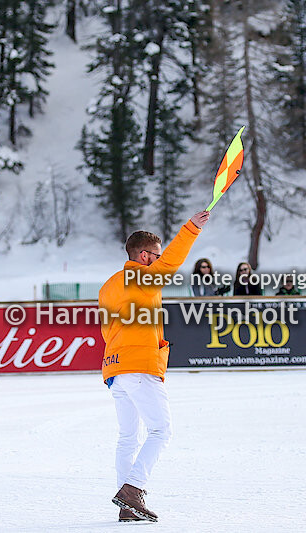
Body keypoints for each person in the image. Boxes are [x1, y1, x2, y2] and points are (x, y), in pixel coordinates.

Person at [98, 210, 210, 522]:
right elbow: (172, 263)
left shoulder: (109, 286)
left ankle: (127, 506)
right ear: (144, 256)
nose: (159, 261)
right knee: (162, 430)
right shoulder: (142, 278)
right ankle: (132, 490)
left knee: (128, 438)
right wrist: (191, 228)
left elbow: (108, 331)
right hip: (139, 365)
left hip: (115, 369)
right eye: (155, 256)